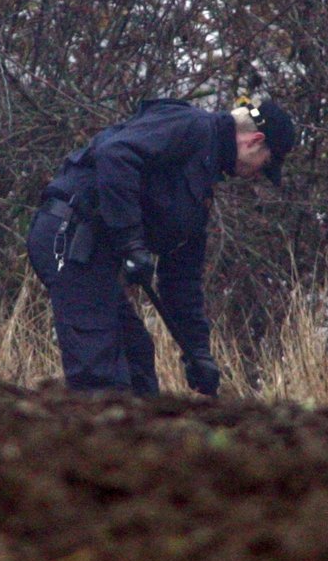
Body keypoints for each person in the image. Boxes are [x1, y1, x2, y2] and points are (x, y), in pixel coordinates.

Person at [26, 96, 296, 397]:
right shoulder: (191, 127)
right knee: (100, 373)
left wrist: (197, 353)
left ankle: (136, 437)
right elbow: (115, 154)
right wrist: (131, 242)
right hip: (69, 238)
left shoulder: (203, 182)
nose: (259, 175)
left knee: (137, 359)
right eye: (266, 164)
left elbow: (181, 275)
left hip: (94, 255)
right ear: (254, 141)